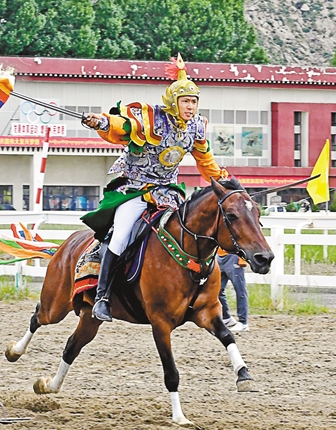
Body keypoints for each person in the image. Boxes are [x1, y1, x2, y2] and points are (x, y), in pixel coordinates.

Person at [80, 54, 229, 322]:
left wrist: (223, 184)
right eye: (186, 101)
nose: (191, 106)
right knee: (121, 234)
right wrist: (100, 122)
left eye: (194, 101)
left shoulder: (196, 127)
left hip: (169, 193)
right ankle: (102, 296)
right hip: (136, 189)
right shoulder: (151, 118)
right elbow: (121, 126)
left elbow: (205, 161)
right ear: (174, 102)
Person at [217, 248, 250, 332]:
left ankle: (243, 322)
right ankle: (226, 318)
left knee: (240, 289)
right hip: (220, 256)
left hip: (233, 257)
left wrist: (242, 258)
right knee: (217, 289)